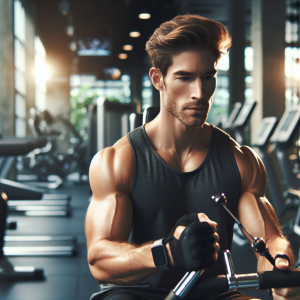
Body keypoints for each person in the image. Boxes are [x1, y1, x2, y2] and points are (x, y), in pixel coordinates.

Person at [85, 14, 300, 300]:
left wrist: (280, 264)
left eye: (208, 78)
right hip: (138, 292)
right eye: (184, 78)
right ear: (158, 79)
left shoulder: (240, 160)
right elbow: (100, 260)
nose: (200, 93)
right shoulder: (117, 162)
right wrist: (167, 252)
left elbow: (269, 239)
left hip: (214, 292)